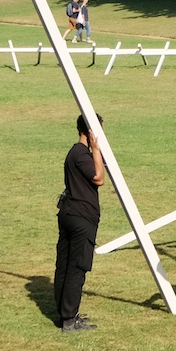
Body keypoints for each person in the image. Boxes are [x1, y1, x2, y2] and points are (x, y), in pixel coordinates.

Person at [53, 113, 106, 332]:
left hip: (70, 214)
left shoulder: (76, 153)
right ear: (91, 132)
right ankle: (69, 319)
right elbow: (99, 178)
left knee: (65, 265)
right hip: (81, 217)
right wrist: (96, 150)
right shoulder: (81, 154)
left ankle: (64, 314)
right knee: (76, 267)